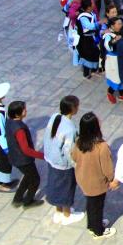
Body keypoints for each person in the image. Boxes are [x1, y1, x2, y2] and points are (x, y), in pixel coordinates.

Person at [71, 113, 118, 238]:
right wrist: (112, 180)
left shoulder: (79, 142)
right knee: (97, 206)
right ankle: (98, 231)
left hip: (83, 179)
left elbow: (74, 157)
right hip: (97, 183)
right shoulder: (102, 146)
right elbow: (107, 168)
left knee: (91, 203)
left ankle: (92, 224)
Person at [42, 95, 84, 225]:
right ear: (73, 109)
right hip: (63, 164)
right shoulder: (70, 128)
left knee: (56, 185)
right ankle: (67, 215)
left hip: (51, 158)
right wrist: (75, 164)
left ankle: (58, 212)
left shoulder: (55, 117)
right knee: (66, 189)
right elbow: (68, 151)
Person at [5, 101, 44, 208]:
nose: (26, 111)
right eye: (24, 110)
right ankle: (28, 201)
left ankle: (17, 199)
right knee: (35, 180)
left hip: (14, 156)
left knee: (28, 176)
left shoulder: (9, 122)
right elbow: (26, 149)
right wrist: (42, 156)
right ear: (17, 114)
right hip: (24, 160)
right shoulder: (19, 129)